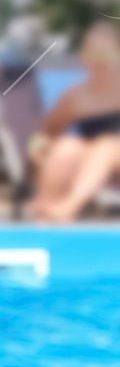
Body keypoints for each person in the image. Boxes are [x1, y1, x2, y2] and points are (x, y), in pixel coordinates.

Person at [29, 22, 120, 222]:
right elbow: (47, 131)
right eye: (95, 55)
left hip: (113, 151)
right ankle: (46, 211)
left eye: (107, 55)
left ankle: (69, 205)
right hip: (92, 156)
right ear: (85, 58)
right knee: (66, 147)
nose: (101, 62)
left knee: (106, 145)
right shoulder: (76, 97)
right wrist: (37, 149)